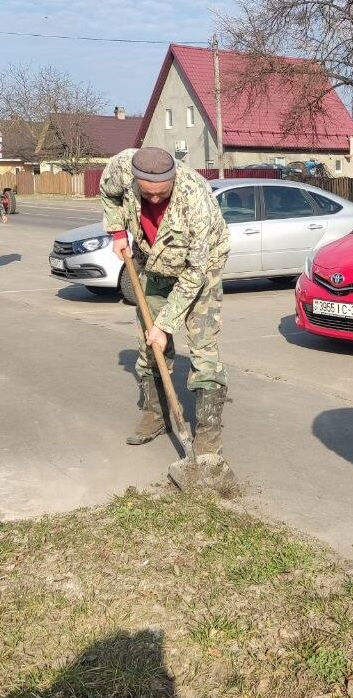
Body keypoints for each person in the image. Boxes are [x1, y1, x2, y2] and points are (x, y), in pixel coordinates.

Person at [99, 147, 231, 463]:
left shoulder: (195, 200)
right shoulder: (121, 166)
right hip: (153, 263)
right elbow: (108, 193)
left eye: (162, 194)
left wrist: (165, 324)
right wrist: (118, 232)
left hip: (201, 269)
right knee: (150, 346)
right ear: (136, 179)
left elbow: (194, 272)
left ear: (173, 178)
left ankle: (208, 438)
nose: (155, 200)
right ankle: (155, 416)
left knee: (204, 350)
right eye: (148, 194)